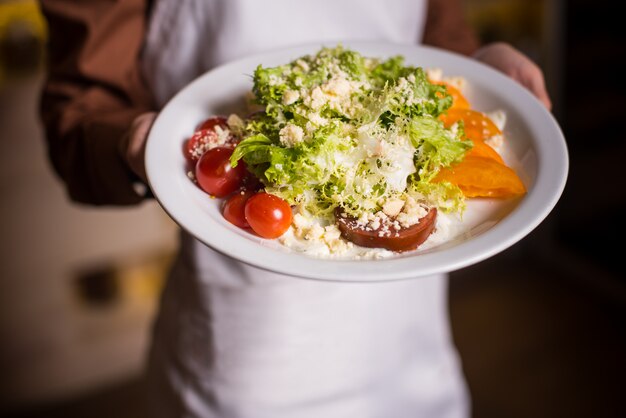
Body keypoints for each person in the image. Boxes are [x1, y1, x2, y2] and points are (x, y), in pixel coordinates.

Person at [39, 1, 551, 417]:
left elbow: (437, 34)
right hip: (238, 370)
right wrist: (135, 140)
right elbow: (77, 110)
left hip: (412, 358)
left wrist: (480, 67)